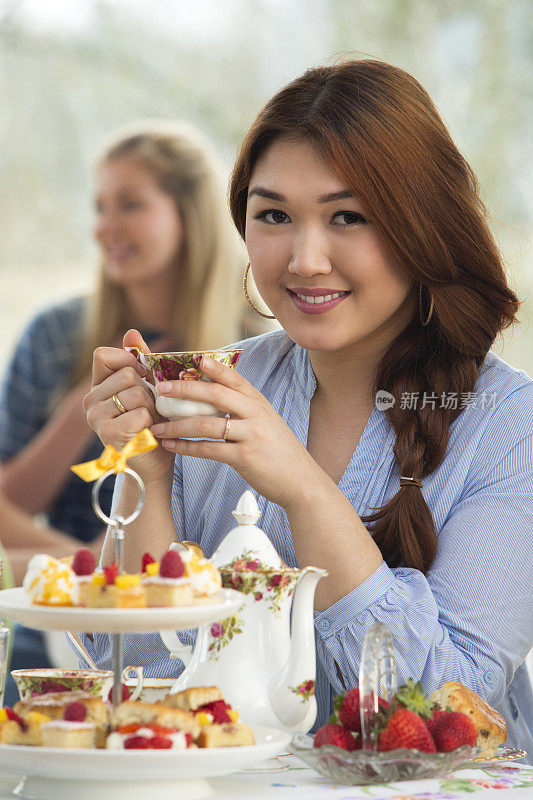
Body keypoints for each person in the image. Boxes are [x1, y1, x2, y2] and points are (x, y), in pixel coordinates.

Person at [81, 60, 533, 759]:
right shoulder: (212, 389)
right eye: (273, 216)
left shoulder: (508, 425)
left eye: (347, 216)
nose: (304, 259)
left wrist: (302, 490)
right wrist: (143, 459)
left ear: (423, 226)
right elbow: (145, 688)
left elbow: (453, 713)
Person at [0, 120, 249, 683]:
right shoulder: (54, 335)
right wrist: (90, 561)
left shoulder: (251, 350)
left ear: (189, 216)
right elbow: (10, 496)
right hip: (71, 606)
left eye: (129, 205)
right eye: (100, 207)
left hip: (195, 604)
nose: (104, 228)